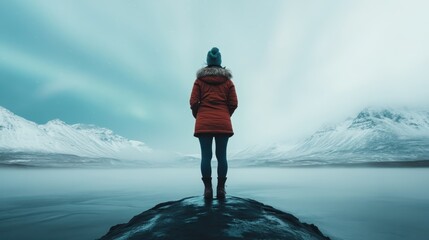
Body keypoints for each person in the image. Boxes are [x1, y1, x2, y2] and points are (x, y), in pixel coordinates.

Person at [190, 47, 238, 200]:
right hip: (223, 124)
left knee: (206, 157)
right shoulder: (228, 82)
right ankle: (221, 190)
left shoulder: (199, 81)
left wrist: (199, 116)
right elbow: (234, 103)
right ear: (220, 62)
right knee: (221, 156)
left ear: (208, 62)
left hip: (203, 123)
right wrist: (225, 115)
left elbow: (193, 102)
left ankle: (208, 190)